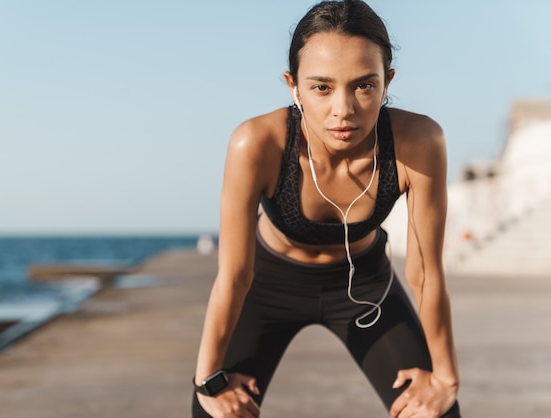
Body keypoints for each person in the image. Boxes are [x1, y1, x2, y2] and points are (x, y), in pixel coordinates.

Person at [192, 1, 460, 416]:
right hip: (266, 286)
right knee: (216, 410)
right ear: (293, 86)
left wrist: (446, 380)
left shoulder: (418, 141)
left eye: (364, 85)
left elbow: (425, 273)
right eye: (322, 87)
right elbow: (234, 274)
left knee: (435, 412)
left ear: (387, 82)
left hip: (366, 286)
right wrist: (207, 382)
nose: (344, 109)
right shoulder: (257, 143)